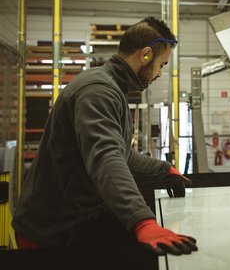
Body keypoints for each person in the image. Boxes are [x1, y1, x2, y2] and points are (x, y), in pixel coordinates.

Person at [12, 16, 198, 256]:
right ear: (145, 55)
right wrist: (143, 222)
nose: (161, 73)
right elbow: (106, 156)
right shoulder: (99, 91)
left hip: (71, 220)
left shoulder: (111, 87)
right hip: (48, 231)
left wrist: (162, 170)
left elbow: (121, 153)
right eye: (162, 64)